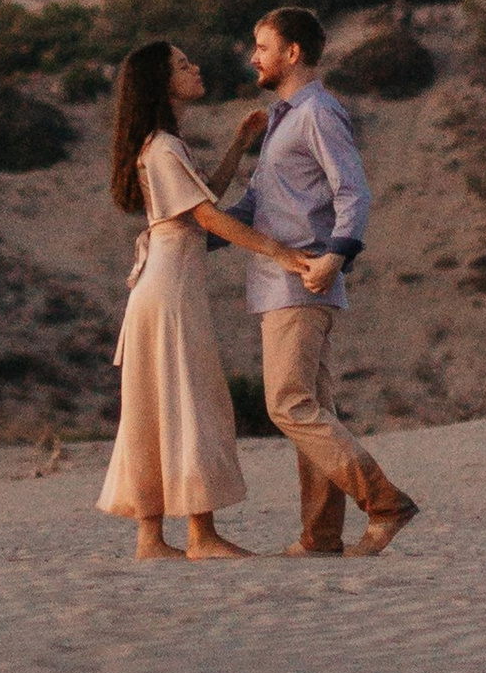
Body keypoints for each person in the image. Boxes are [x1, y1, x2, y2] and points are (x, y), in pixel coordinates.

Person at [98, 40, 339, 562]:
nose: (195, 68)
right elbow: (207, 217)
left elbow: (203, 195)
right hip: (170, 289)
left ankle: (153, 538)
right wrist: (278, 252)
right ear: (162, 82)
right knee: (190, 398)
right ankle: (200, 536)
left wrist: (238, 145)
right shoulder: (163, 146)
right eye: (183, 65)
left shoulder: (161, 145)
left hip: (163, 283)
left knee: (156, 403)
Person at [216, 5, 418, 556]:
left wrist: (337, 254)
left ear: (292, 52)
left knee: (288, 405)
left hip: (301, 280)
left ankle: (385, 503)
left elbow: (353, 189)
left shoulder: (318, 113)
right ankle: (321, 536)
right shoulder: (281, 119)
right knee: (313, 410)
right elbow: (256, 206)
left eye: (262, 47)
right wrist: (192, 235)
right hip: (281, 283)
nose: (253, 57)